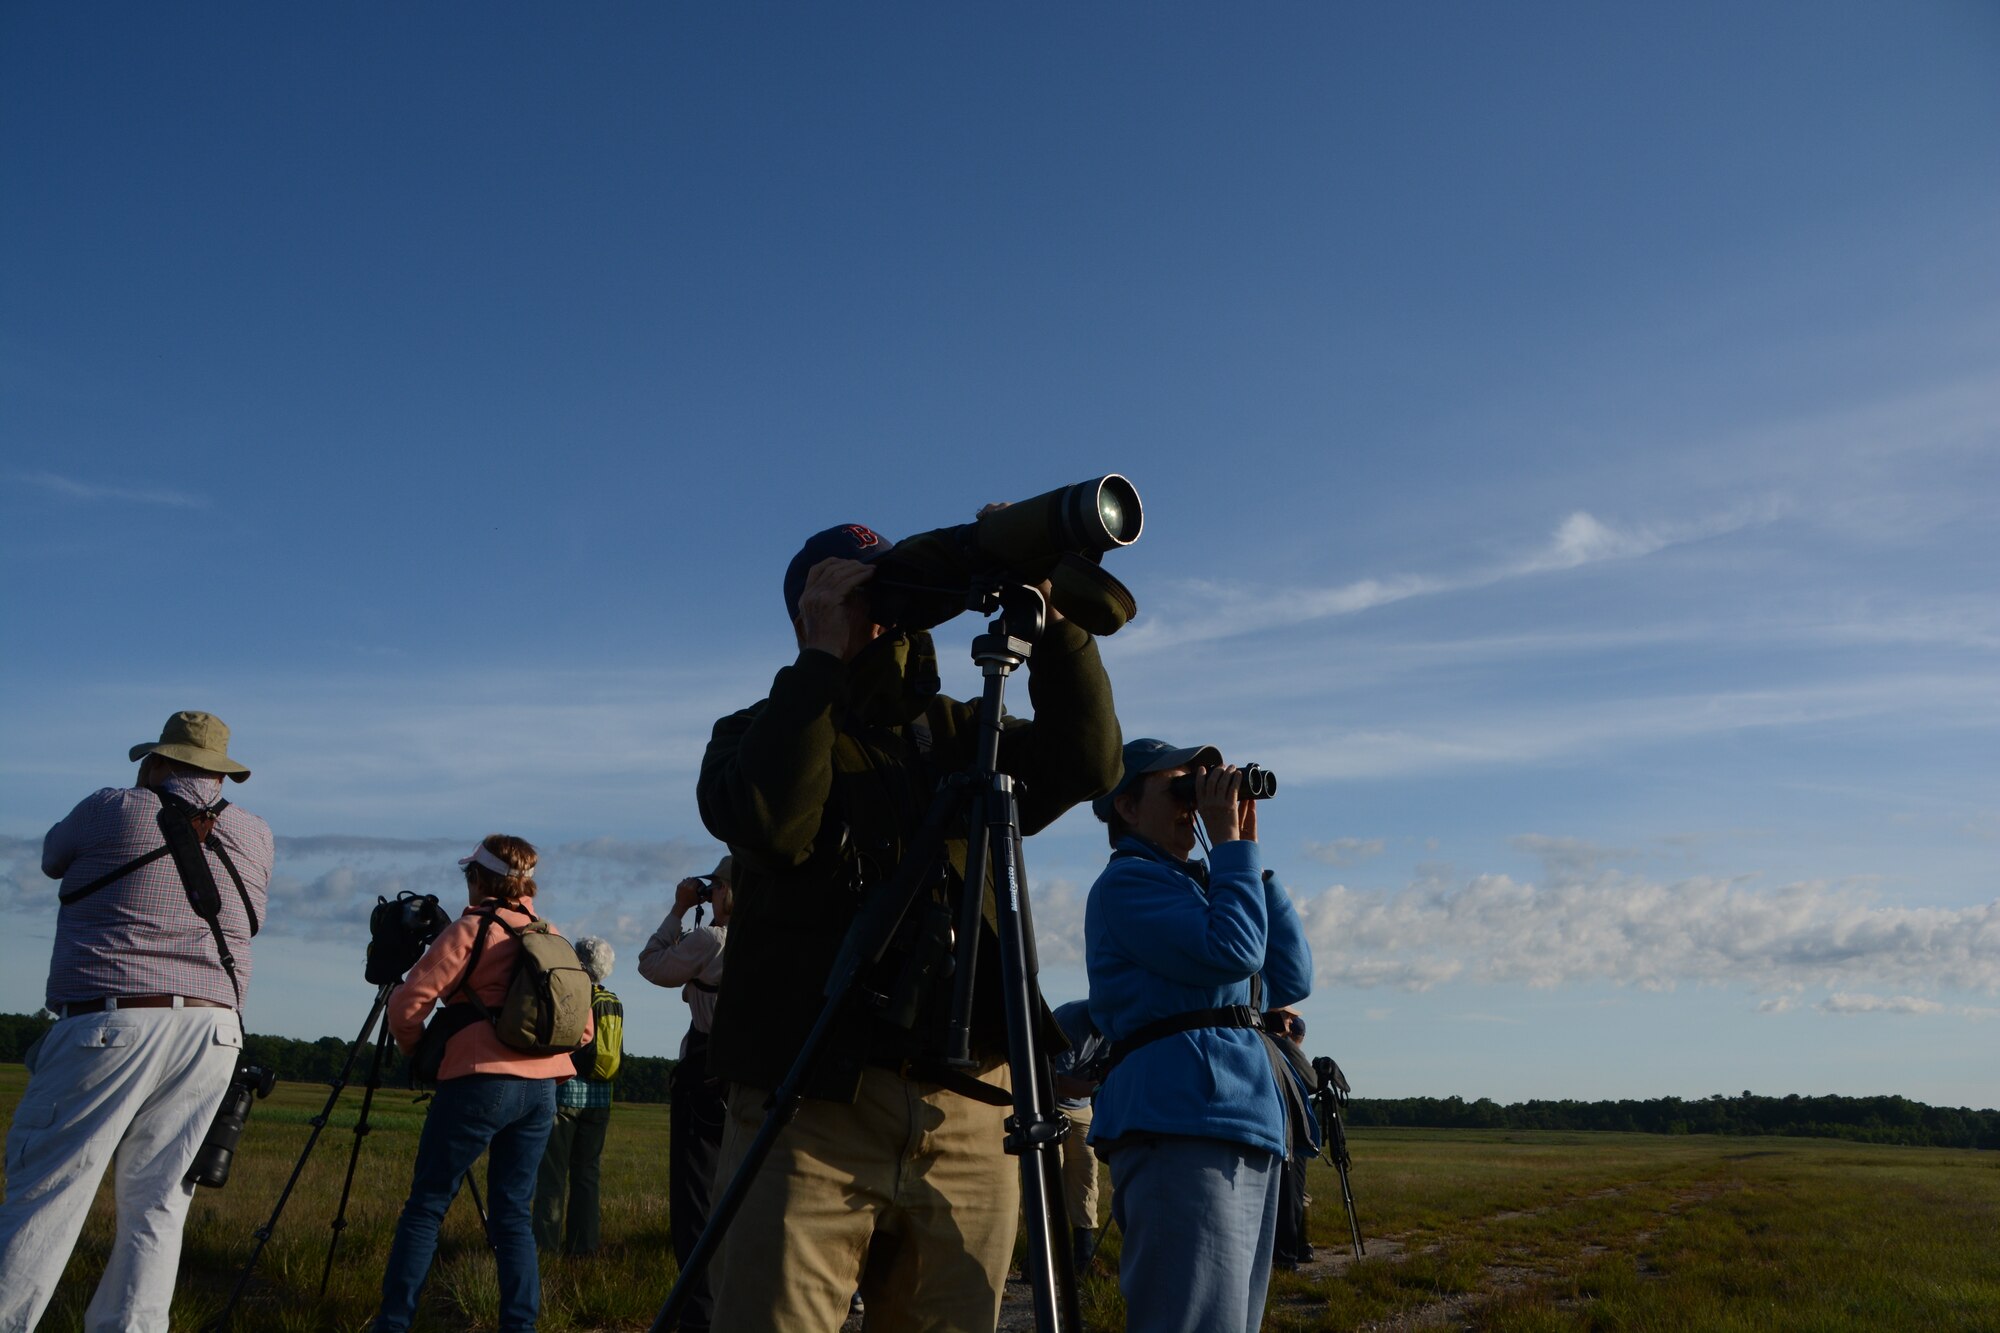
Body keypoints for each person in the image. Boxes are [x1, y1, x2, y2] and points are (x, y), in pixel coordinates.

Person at [695, 520, 1121, 1333]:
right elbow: (773, 822)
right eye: (858, 595)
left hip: (968, 1100)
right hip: (809, 1101)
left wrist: (1058, 628)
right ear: (807, 609)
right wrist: (821, 660)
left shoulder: (963, 731)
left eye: (889, 591)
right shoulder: (755, 731)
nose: (883, 613)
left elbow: (1090, 764)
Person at [0, 711, 273, 1333]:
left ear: (156, 762)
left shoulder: (110, 807)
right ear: (221, 776)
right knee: (159, 1204)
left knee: (48, 1192)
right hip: (215, 1032)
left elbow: (51, 859)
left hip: (113, 1022)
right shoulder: (256, 834)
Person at [1084, 737, 1314, 1333]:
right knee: (1190, 1321)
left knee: (1231, 1322)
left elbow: (1292, 976)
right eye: (1180, 788)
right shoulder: (1128, 885)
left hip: (1241, 1117)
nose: (1196, 801)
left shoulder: (1204, 884)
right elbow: (1234, 951)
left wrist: (1247, 858)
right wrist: (1231, 855)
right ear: (1127, 808)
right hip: (1177, 1119)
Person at [373, 834, 592, 1333]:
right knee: (513, 1213)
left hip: (478, 1081)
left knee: (427, 1205)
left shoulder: (471, 929)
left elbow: (406, 1007)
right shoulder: (551, 935)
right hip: (542, 1090)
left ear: (479, 879)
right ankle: (520, 1325)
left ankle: (393, 1322)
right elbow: (583, 1030)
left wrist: (421, 1053)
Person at [637, 854, 734, 1333]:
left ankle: (701, 1317)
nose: (709, 894)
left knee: (697, 1204)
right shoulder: (773, 944)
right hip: (754, 1082)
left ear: (728, 892)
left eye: (715, 887)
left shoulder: (711, 940)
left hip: (704, 1080)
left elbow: (651, 966)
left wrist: (678, 910)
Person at [534, 935, 624, 1256]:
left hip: (567, 1095)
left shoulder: (576, 995)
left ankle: (544, 1248)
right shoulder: (614, 1000)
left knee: (553, 1176)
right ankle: (583, 1249)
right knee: (587, 1177)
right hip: (602, 1099)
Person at [1049, 997, 1109, 1271]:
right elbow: (1056, 1081)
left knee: (1086, 1174)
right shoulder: (1072, 1022)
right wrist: (1100, 1090)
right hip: (1048, 1102)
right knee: (1051, 1176)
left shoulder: (1114, 1025)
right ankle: (1039, 1259)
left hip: (1081, 1105)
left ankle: (1083, 1257)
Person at [1264, 1007, 1317, 1269]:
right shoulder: (1279, 1044)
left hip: (1260, 1131)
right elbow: (1310, 1080)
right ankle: (1287, 1256)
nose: (1291, 1020)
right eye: (1288, 1016)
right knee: (1291, 1196)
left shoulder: (1250, 1038)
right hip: (1286, 1134)